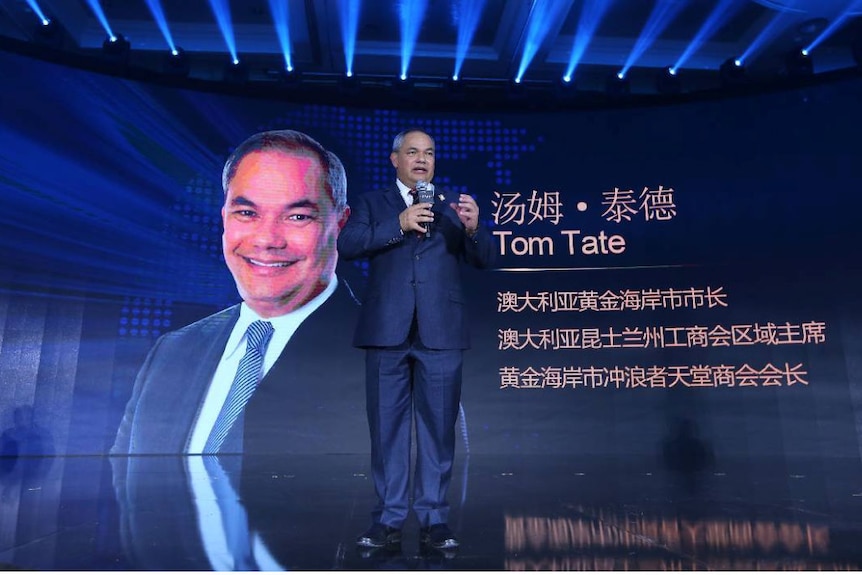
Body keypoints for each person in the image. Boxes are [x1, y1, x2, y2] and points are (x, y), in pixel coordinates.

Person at [111, 129, 363, 456]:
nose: (267, 239)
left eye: (297, 216)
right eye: (247, 213)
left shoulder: (394, 362)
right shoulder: (172, 351)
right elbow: (127, 487)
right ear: (225, 218)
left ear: (340, 224)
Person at [337, 128, 495, 551]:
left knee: (438, 430)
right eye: (412, 152)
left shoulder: (450, 207)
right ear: (395, 159)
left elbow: (483, 259)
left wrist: (475, 228)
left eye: (428, 153)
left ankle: (434, 520)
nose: (421, 159)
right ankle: (387, 521)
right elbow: (348, 245)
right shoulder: (373, 203)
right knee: (387, 431)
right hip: (387, 331)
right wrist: (399, 224)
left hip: (440, 333)